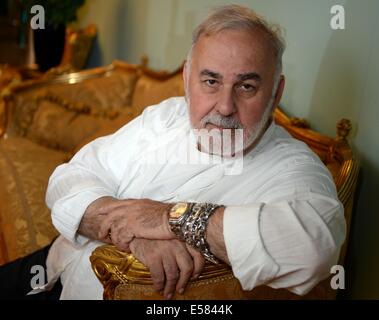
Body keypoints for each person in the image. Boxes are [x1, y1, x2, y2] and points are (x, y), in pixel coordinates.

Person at [0, 4, 345, 300]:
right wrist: (134, 237)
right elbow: (69, 178)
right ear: (186, 78)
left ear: (276, 91)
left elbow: (313, 246)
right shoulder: (168, 115)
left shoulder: (294, 168)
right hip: (52, 266)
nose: (225, 106)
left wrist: (169, 218)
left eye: (247, 86)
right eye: (210, 81)